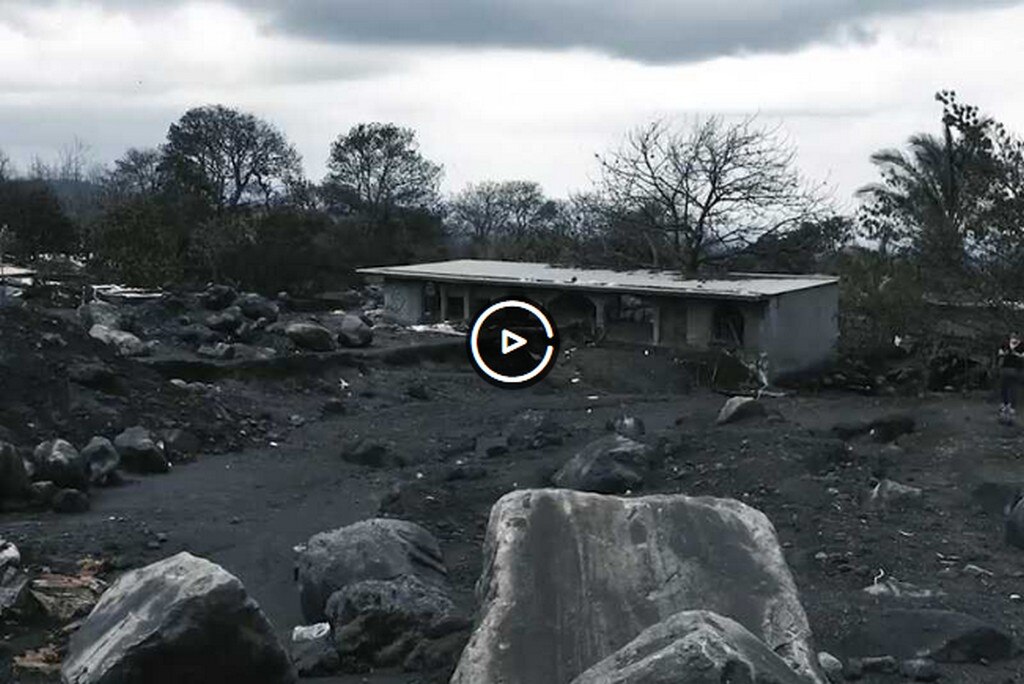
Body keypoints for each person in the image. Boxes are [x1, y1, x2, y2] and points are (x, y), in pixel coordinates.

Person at [998, 332, 1023, 422]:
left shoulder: (1005, 345)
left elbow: (1001, 357)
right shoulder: (1022, 345)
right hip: (1017, 370)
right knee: (1014, 389)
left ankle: (1005, 405)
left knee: (1005, 388)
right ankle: (1012, 408)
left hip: (1007, 369)